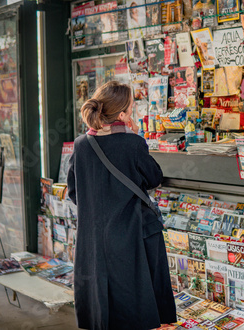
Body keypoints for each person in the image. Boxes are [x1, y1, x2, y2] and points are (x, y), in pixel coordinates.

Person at [67, 81, 176, 329]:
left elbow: (74, 192)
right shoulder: (132, 143)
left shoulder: (81, 144)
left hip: (93, 240)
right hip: (131, 237)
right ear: (122, 114)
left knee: (103, 307)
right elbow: (154, 178)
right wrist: (136, 137)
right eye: (131, 107)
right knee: (134, 304)